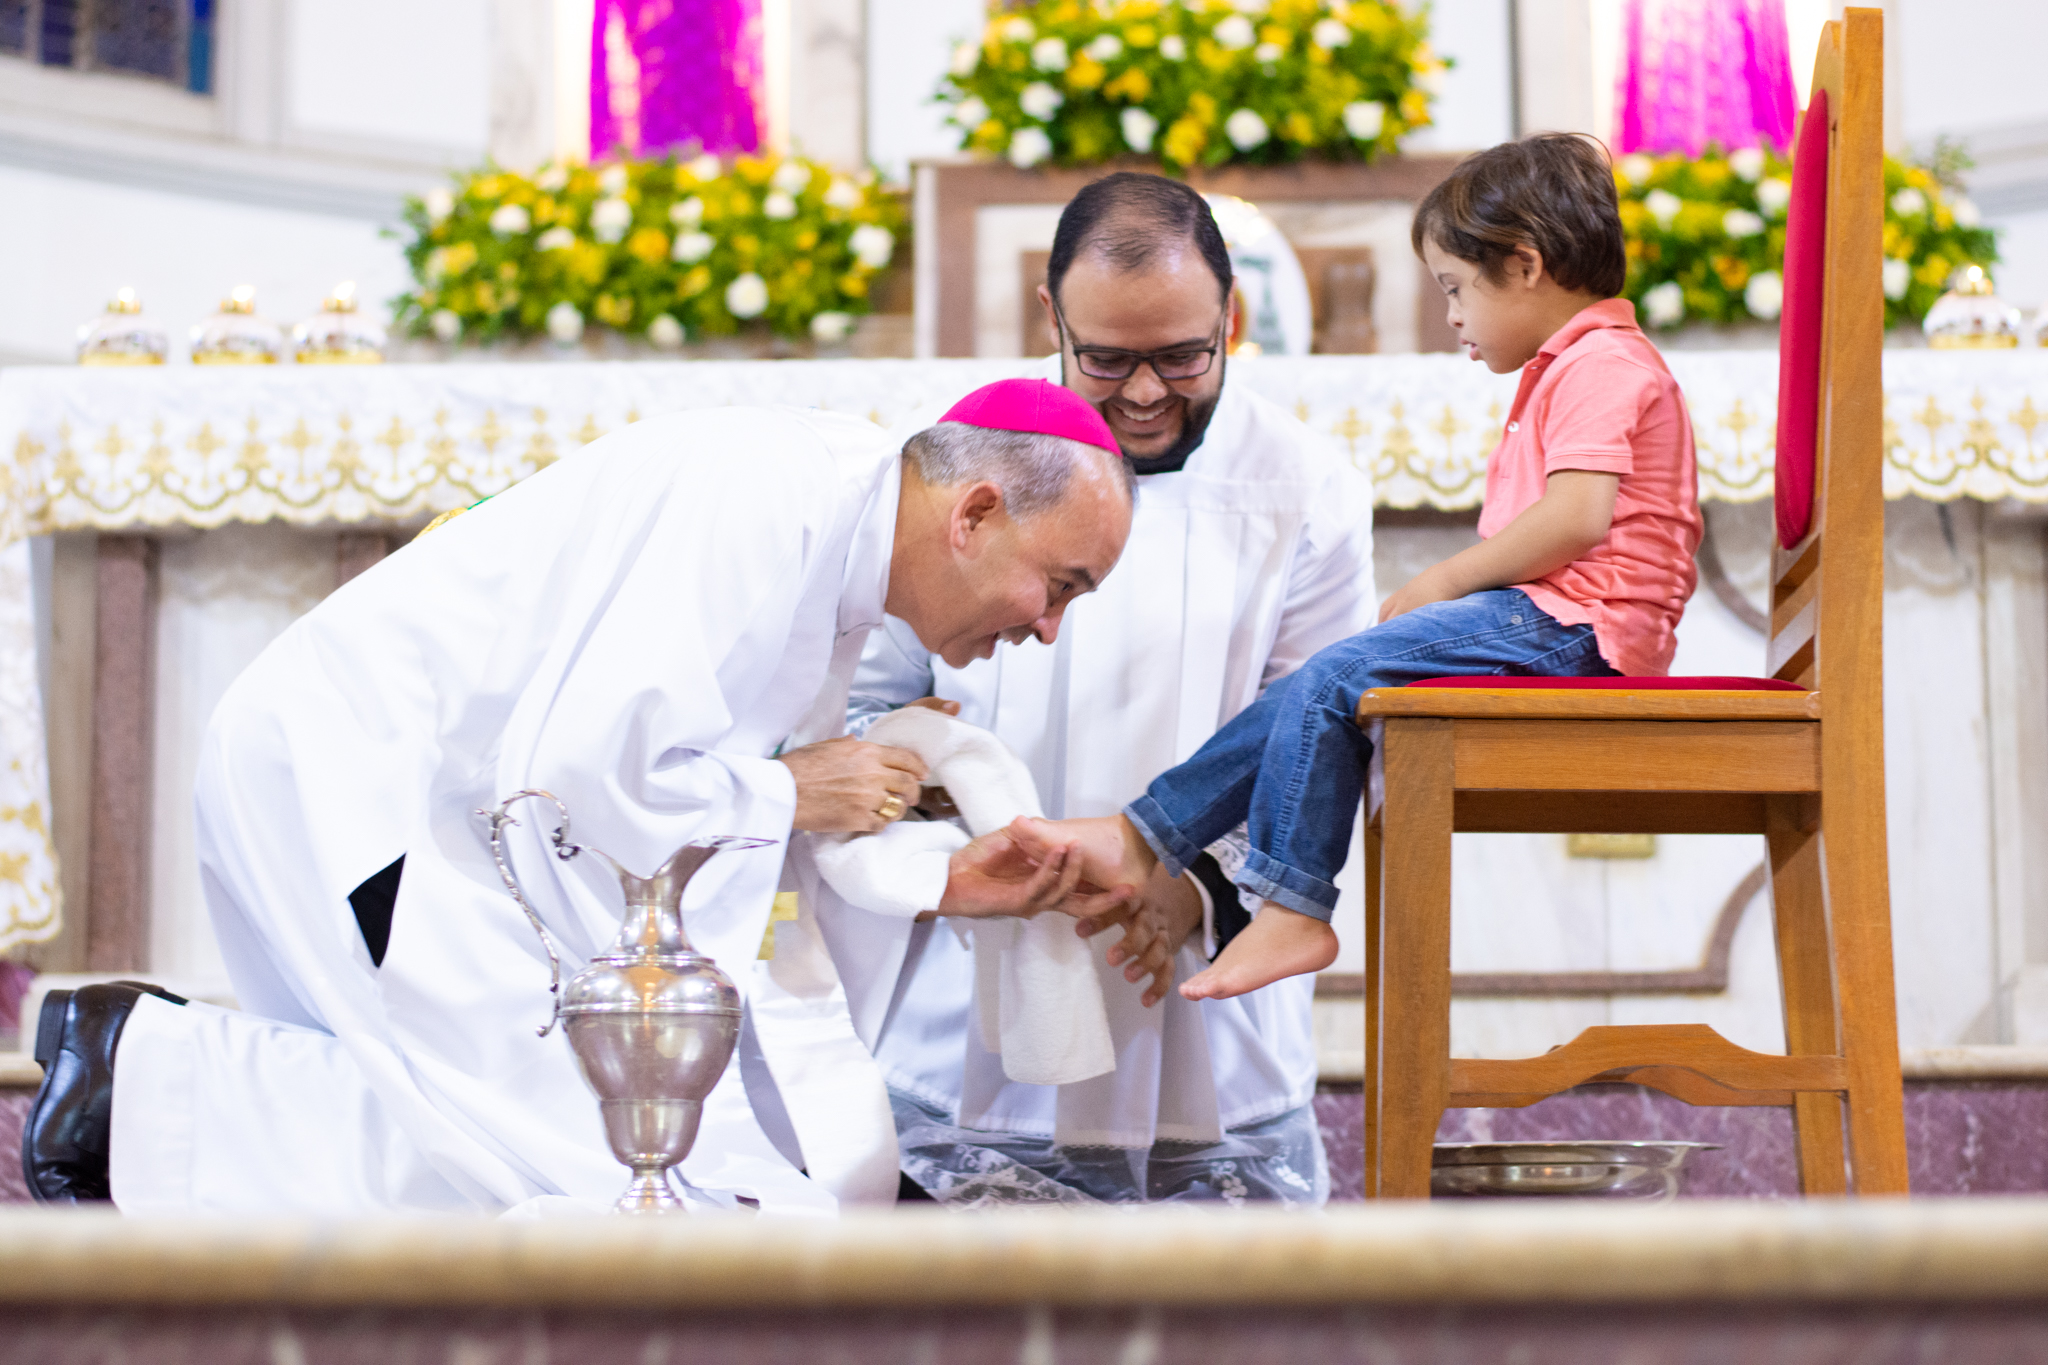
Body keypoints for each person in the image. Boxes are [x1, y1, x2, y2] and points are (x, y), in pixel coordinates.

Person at [22, 381, 1142, 1215]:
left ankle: (133, 1079)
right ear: (974, 512)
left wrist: (927, 875)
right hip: (359, 781)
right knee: (541, 1145)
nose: (1048, 627)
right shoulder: (770, 497)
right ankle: (137, 1069)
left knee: (522, 1144)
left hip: (444, 804)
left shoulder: (837, 537)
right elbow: (584, 771)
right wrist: (791, 788)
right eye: (1059, 586)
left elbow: (688, 785)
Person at [1013, 133, 1703, 1002]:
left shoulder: (1600, 363)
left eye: (1455, 287)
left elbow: (1578, 517)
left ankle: (1288, 900)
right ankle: (1152, 838)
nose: (1452, 315)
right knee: (1328, 681)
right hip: (1568, 617)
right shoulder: (1584, 362)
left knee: (1339, 674)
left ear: (1525, 266)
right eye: (1111, 359)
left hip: (1581, 624)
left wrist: (1446, 580)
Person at [842, 173, 1378, 1205]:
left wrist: (1190, 886)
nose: (1142, 393)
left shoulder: (1305, 486)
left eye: (1181, 356)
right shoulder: (951, 459)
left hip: (1204, 989)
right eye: (1105, 358)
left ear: (1232, 315)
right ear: (1050, 316)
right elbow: (860, 706)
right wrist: (957, 822)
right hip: (970, 970)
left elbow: (1325, 737)